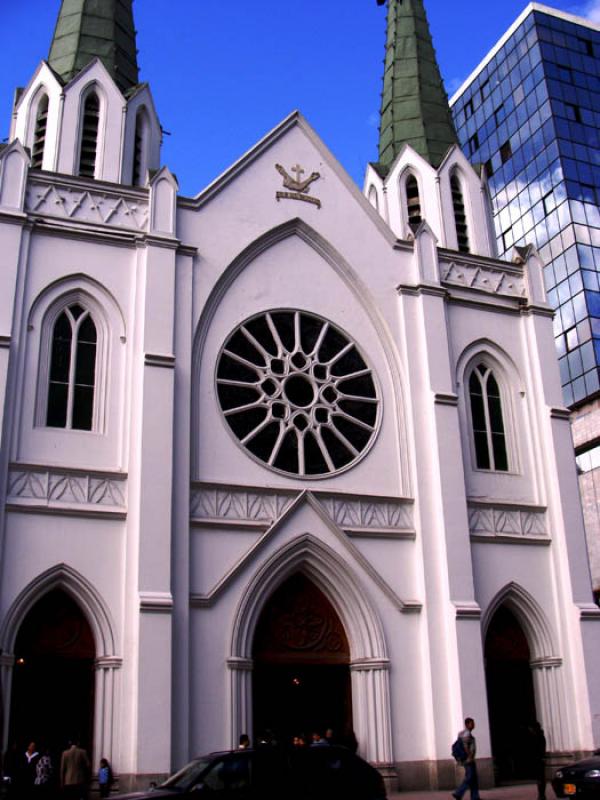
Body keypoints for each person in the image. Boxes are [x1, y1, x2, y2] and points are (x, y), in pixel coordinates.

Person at [452, 718, 480, 800]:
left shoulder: (462, 733)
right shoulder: (466, 734)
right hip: (468, 759)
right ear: (467, 724)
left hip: (466, 759)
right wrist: (470, 756)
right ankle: (458, 793)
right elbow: (465, 746)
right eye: (472, 723)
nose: (474, 725)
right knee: (470, 777)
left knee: (473, 778)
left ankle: (475, 797)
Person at [529, 720, 547, 800]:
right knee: (539, 778)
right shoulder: (537, 736)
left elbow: (540, 748)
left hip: (539, 759)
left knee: (540, 778)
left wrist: (542, 757)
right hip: (538, 759)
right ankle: (541, 794)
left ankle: (542, 794)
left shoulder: (539, 736)